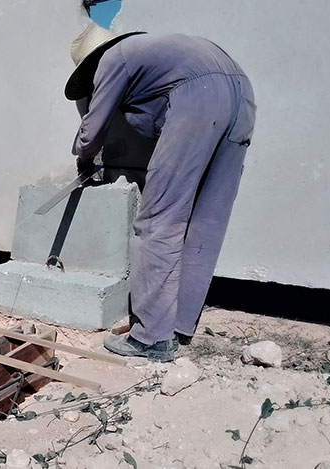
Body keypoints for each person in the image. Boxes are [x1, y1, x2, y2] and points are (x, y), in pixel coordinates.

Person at [65, 22, 256, 362]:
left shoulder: (112, 60)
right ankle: (179, 323)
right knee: (207, 220)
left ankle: (152, 338)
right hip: (242, 94)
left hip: (199, 99)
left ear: (90, 63)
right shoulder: (152, 52)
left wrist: (82, 157)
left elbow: (91, 131)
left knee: (157, 221)